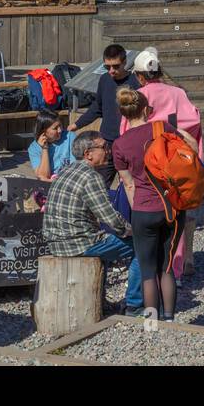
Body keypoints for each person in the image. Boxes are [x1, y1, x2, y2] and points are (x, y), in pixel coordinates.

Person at [113, 88, 199, 321]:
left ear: (123, 114)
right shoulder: (162, 129)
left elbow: (128, 184)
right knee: (167, 267)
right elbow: (191, 147)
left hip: (143, 210)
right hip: (171, 207)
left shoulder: (119, 145)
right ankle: (169, 318)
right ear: (146, 109)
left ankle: (152, 323)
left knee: (148, 271)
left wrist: (136, 213)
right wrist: (178, 130)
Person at [43, 134, 143, 315]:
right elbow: (110, 218)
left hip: (56, 242)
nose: (108, 151)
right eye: (103, 147)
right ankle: (134, 305)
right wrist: (134, 231)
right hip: (77, 243)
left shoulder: (67, 170)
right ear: (88, 153)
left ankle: (101, 302)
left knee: (105, 241)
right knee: (143, 247)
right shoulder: (91, 177)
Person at [132, 48, 202, 282]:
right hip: (174, 163)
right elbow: (193, 122)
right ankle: (174, 270)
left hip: (147, 165)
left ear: (140, 76)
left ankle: (148, 274)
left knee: (148, 219)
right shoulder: (178, 94)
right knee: (175, 216)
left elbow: (129, 130)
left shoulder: (138, 96)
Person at [73, 43, 139, 150]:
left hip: (129, 140)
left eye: (116, 66)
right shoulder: (104, 79)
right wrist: (77, 124)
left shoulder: (135, 82)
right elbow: (97, 107)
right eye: (107, 67)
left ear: (125, 62)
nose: (111, 70)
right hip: (107, 140)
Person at [28, 110, 75, 180]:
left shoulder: (70, 137)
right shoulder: (34, 148)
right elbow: (43, 176)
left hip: (68, 180)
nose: (60, 130)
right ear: (43, 131)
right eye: (55, 128)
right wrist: (44, 148)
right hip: (48, 183)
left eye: (60, 125)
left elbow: (75, 167)